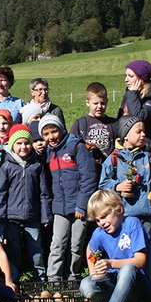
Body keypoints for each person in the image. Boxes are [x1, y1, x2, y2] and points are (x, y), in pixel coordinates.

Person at [80, 190, 151, 302]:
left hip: (137, 283)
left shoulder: (132, 223)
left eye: (105, 216)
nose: (102, 223)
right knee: (86, 285)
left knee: (128, 269)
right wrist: (94, 272)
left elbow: (140, 260)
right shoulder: (99, 233)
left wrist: (111, 263)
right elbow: (90, 250)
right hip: (115, 281)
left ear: (119, 209)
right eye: (97, 220)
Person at [40, 114, 97, 282]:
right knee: (57, 243)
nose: (51, 137)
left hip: (80, 206)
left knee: (76, 244)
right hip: (59, 207)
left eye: (54, 131)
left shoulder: (76, 146)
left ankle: (73, 275)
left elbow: (88, 177)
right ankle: (54, 278)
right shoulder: (48, 153)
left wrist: (81, 205)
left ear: (61, 129)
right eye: (46, 133)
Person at [0, 124, 51, 282]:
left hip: (33, 216)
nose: (23, 146)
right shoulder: (7, 167)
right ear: (12, 144)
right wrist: (0, 217)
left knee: (36, 249)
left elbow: (44, 193)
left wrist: (45, 215)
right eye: (19, 143)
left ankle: (39, 278)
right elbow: (1, 194)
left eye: (26, 142)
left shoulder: (36, 166)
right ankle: (14, 278)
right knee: (14, 249)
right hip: (12, 217)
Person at [99, 116, 151, 241]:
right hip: (123, 218)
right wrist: (117, 187)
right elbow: (103, 185)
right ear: (125, 135)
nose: (143, 134)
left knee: (146, 253)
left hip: (146, 217)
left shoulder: (148, 157)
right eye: (138, 131)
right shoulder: (114, 159)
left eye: (144, 131)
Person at [117, 59, 151, 155]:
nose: (126, 79)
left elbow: (138, 117)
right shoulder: (130, 93)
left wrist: (132, 94)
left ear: (142, 79)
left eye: (130, 76)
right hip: (127, 145)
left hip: (145, 147)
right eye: (126, 75)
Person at [70, 82, 117, 167]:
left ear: (107, 101)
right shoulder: (80, 124)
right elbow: (71, 148)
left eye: (102, 103)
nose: (99, 106)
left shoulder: (114, 123)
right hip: (88, 169)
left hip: (109, 169)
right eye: (95, 103)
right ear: (88, 103)